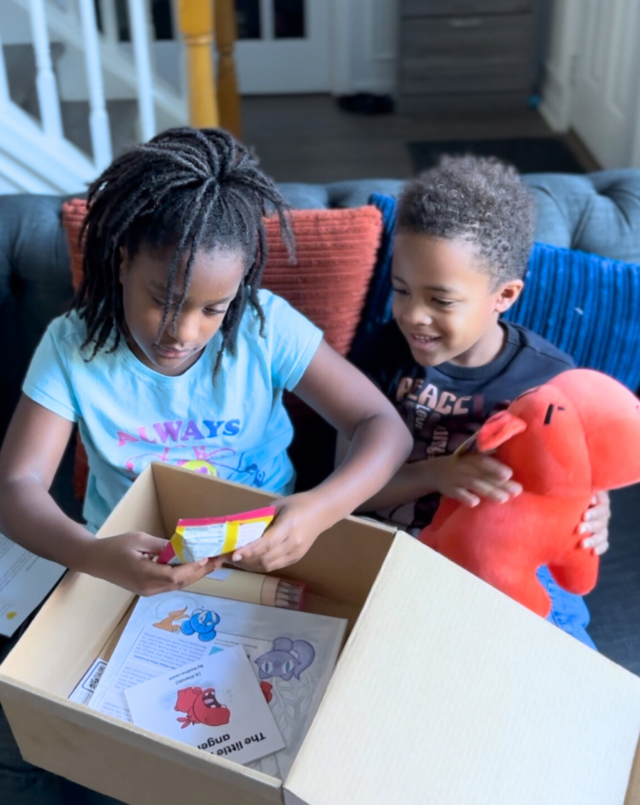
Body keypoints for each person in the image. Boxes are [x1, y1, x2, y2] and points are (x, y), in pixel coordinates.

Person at [0, 127, 412, 598]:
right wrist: (90, 554)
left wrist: (319, 510)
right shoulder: (73, 345)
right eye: (163, 300)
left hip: (265, 557)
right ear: (122, 262)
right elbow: (17, 485)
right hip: (122, 566)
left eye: (213, 309)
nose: (184, 333)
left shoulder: (265, 327)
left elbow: (382, 425)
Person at [338, 157, 610, 647]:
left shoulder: (550, 381)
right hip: (400, 554)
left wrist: (596, 513)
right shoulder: (379, 356)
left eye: (441, 301)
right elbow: (346, 490)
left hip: (514, 563)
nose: (413, 316)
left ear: (504, 294)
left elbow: (577, 485)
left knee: (565, 659)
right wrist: (437, 475)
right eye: (401, 291)